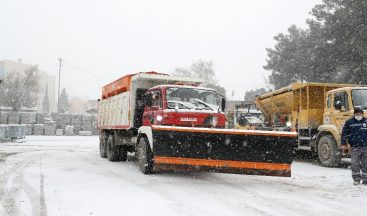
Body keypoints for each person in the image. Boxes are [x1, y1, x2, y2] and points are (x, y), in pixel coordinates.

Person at [341, 106, 367, 185]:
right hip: (354, 147)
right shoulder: (349, 122)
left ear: (362, 113)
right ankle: (356, 179)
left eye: (360, 113)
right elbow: (344, 134)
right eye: (357, 113)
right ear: (354, 114)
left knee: (365, 163)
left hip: (365, 146)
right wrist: (343, 144)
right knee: (355, 163)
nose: (358, 114)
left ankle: (365, 179)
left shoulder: (366, 121)